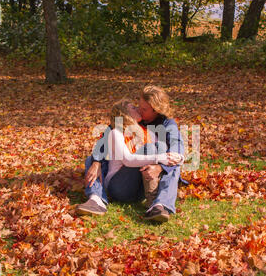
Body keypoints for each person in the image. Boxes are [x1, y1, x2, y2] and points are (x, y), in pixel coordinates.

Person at [78, 86, 186, 222]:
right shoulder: (121, 125)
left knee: (172, 160)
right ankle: (96, 198)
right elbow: (102, 144)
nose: (139, 110)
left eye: (144, 109)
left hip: (144, 178)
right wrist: (96, 162)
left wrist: (160, 167)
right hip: (126, 175)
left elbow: (178, 151)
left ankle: (161, 205)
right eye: (138, 106)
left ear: (156, 110)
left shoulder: (167, 124)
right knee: (92, 159)